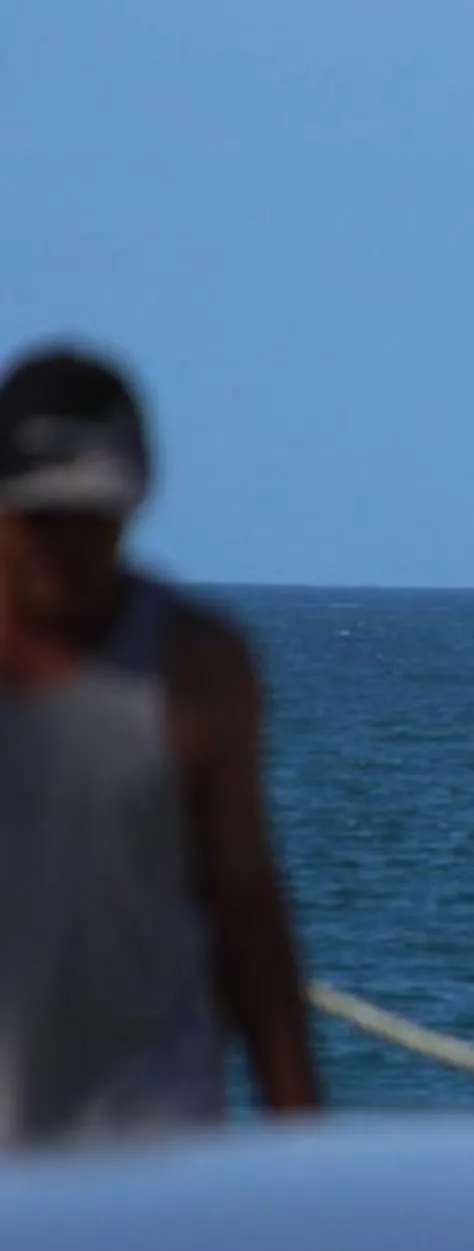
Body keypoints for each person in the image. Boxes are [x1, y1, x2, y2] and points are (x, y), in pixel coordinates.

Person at [0, 342, 324, 1148]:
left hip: (151, 1147)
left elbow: (247, 912)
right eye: (43, 518)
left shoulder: (196, 670)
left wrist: (305, 1147)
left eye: (94, 518)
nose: (67, 547)